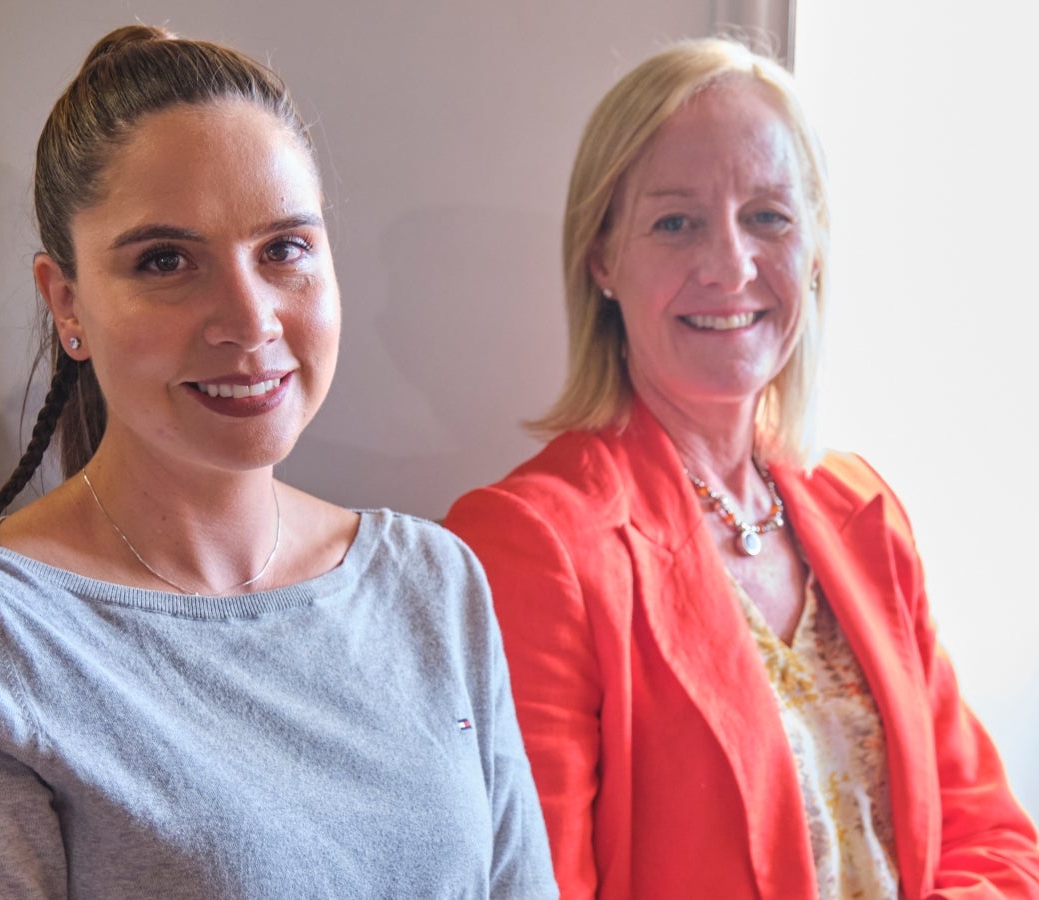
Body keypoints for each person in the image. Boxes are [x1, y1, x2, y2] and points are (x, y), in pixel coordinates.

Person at [0, 25, 557, 899]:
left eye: (284, 249)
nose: (249, 319)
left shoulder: (433, 581)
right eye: (166, 260)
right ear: (67, 302)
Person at [444, 36, 1039, 900]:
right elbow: (536, 889)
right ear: (603, 257)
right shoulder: (533, 545)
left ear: (816, 248)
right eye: (676, 221)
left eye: (768, 215)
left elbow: (991, 836)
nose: (731, 265)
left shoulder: (862, 508)